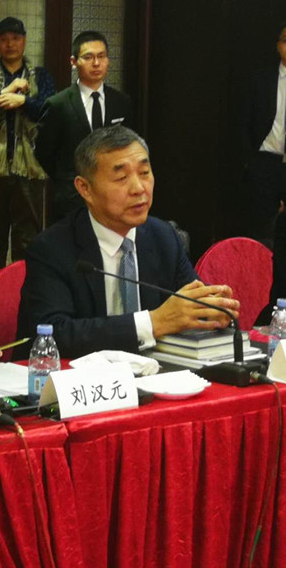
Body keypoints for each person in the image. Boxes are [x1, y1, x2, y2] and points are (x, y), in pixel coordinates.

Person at [17, 126, 240, 358]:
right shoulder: (51, 248)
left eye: (144, 173)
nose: (139, 188)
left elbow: (192, 309)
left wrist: (214, 311)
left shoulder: (164, 237)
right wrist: (153, 323)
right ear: (85, 189)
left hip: (156, 373)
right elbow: (54, 334)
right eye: (121, 178)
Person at [0, 17, 56, 285]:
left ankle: (23, 298)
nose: (10, 44)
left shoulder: (41, 76)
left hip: (30, 168)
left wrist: (23, 101)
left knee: (28, 240)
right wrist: (2, 93)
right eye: (4, 39)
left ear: (24, 41)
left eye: (15, 38)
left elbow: (50, 112)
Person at [36, 31, 133, 222]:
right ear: (74, 62)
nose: (96, 63)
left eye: (101, 56)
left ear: (108, 60)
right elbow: (43, 152)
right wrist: (66, 179)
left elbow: (128, 145)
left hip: (113, 194)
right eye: (88, 57)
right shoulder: (58, 104)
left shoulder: (121, 101)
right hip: (71, 196)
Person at [241, 22, 286, 248]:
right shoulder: (261, 79)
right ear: (278, 46)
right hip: (265, 161)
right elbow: (244, 120)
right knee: (261, 230)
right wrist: (250, 160)